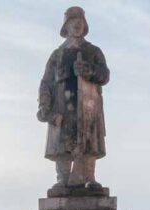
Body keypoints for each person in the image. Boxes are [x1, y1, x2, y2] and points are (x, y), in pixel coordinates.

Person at [37, 6, 109, 190]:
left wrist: (89, 70)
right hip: (62, 106)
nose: (77, 24)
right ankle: (63, 178)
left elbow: (105, 75)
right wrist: (44, 104)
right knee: (63, 143)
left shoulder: (93, 51)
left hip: (88, 105)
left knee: (88, 141)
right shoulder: (57, 55)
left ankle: (89, 177)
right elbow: (46, 82)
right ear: (66, 26)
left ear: (84, 25)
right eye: (73, 21)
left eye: (80, 21)